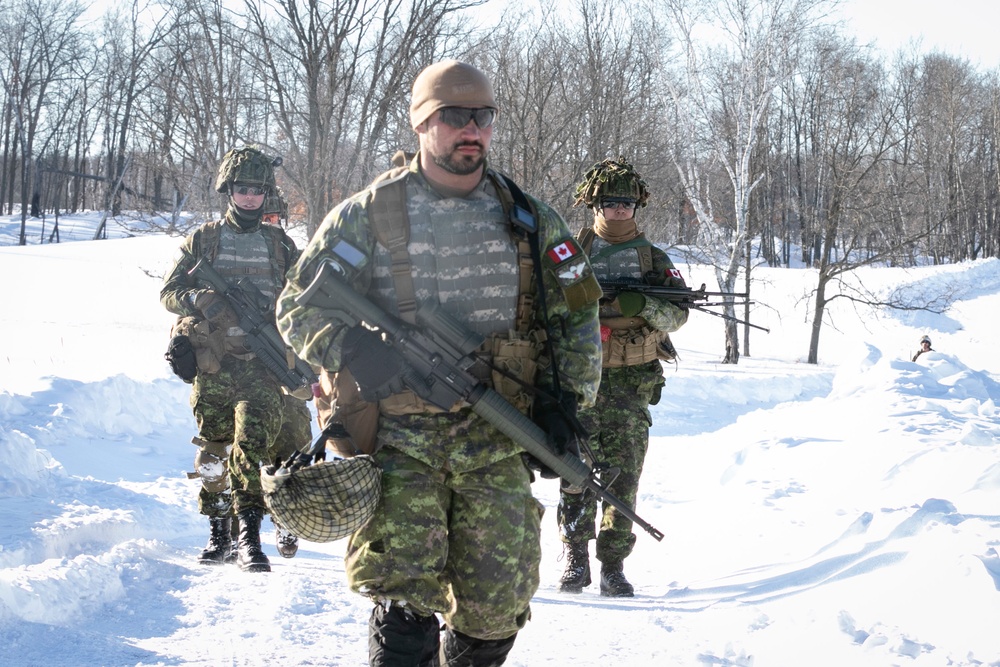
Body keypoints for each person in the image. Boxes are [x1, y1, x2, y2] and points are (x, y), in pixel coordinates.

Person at [276, 60, 602, 666]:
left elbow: (577, 319)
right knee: (401, 609)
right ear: (423, 124)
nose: (470, 129)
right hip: (400, 439)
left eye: (481, 116)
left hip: (497, 435)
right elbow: (297, 306)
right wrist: (349, 349)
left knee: (495, 612)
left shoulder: (531, 221)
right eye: (453, 117)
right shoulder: (371, 213)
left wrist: (567, 405)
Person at [161, 145, 306, 572]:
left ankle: (249, 535)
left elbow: (303, 298)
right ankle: (218, 531)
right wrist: (197, 298)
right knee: (213, 450)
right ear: (229, 190)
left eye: (257, 190)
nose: (249, 197)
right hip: (215, 364)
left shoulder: (280, 245)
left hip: (262, 363)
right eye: (242, 189)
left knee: (252, 447)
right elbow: (169, 293)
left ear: (267, 195)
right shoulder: (203, 240)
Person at [556, 157, 689, 597]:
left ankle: (613, 565)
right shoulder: (572, 253)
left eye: (626, 204)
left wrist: (642, 306)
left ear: (637, 207)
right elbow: (547, 308)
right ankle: (575, 556)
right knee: (574, 471)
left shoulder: (653, 259)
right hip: (581, 382)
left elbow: (678, 313)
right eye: (610, 202)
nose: (618, 211)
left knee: (625, 474)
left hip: (631, 385)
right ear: (594, 204)